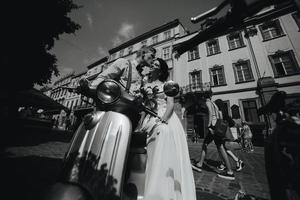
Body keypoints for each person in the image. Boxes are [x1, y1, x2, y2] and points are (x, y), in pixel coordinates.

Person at [140, 58, 197, 200]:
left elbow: (170, 105)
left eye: (156, 64)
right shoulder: (145, 83)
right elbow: (144, 105)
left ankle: (162, 190)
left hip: (164, 116)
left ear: (160, 70)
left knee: (163, 144)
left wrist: (162, 121)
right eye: (152, 63)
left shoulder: (166, 85)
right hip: (148, 116)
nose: (152, 65)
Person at [191, 91, 235, 180]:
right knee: (205, 144)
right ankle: (200, 164)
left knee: (220, 147)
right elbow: (219, 114)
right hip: (216, 126)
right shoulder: (214, 103)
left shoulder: (207, 103)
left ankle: (230, 172)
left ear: (203, 97)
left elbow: (210, 113)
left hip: (213, 127)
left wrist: (209, 125)